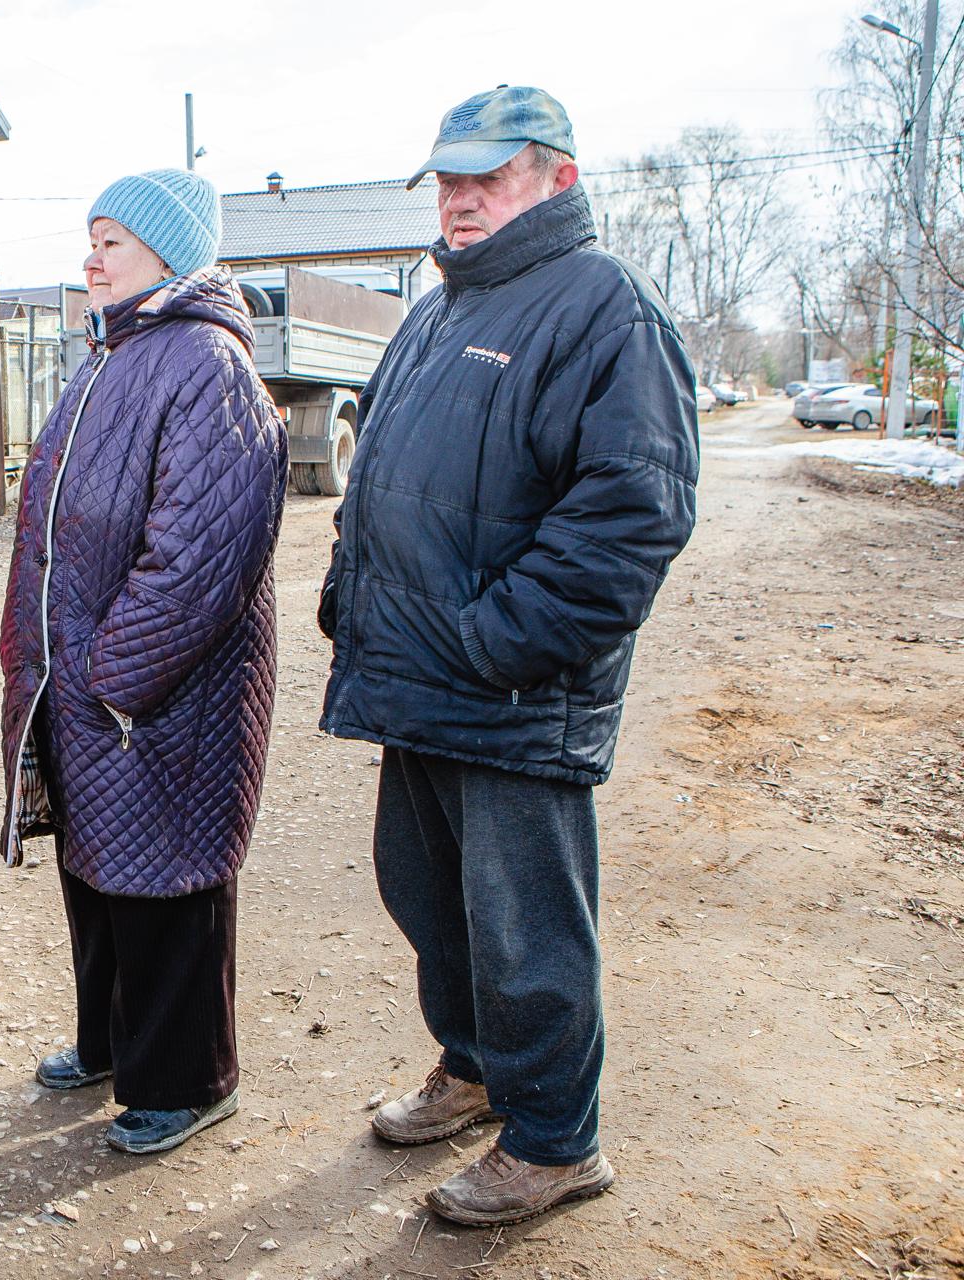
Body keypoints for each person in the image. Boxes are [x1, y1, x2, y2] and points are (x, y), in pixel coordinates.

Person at [318, 86, 701, 1227]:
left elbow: (634, 514)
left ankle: (555, 1140)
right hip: (417, 681)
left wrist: (501, 641)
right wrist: (352, 590)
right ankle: (476, 1067)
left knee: (528, 930)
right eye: (448, 177)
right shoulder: (437, 310)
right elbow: (380, 475)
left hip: (513, 696)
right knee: (431, 899)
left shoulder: (607, 310)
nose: (462, 196)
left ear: (559, 180)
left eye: (491, 174)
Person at [0, 170, 287, 1155]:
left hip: (162, 692)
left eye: (112, 240)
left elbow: (200, 557)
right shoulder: (107, 357)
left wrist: (115, 675)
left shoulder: (207, 363)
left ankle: (190, 1079)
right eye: (90, 238)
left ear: (173, 254)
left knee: (168, 881)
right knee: (101, 872)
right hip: (87, 686)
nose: (91, 257)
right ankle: (112, 1042)